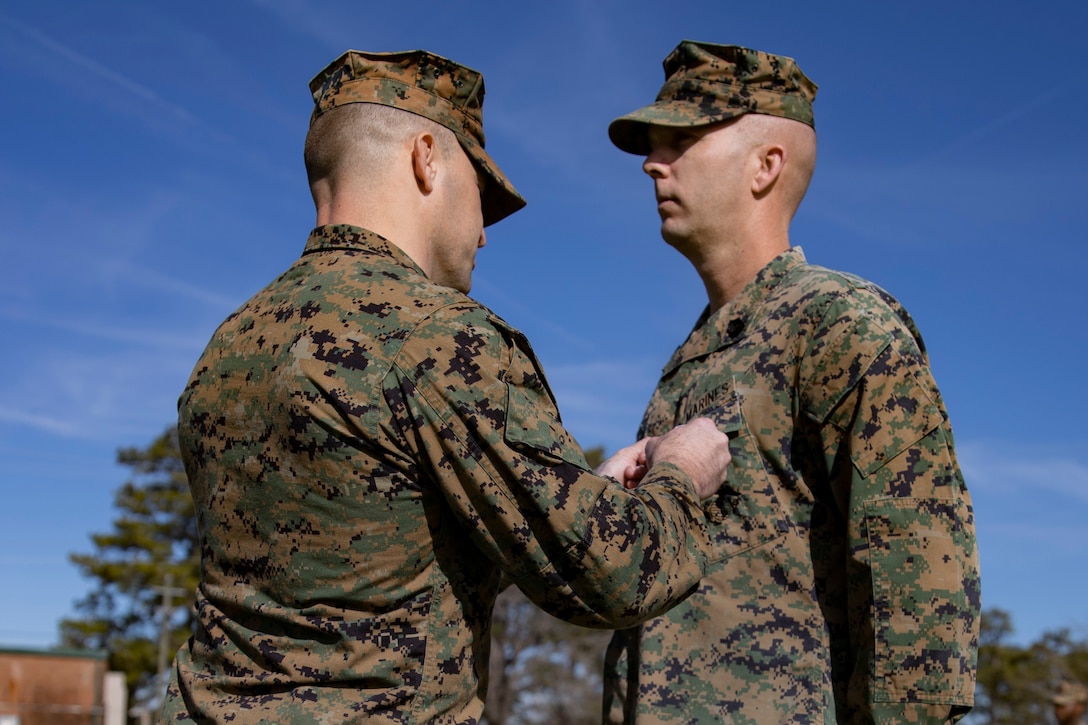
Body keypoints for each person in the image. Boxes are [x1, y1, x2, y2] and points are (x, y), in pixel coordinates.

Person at [159, 48, 739, 724]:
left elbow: (378, 563)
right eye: (480, 192)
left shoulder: (229, 345)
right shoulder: (435, 334)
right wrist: (682, 474)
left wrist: (584, 494)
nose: (485, 235)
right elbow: (619, 573)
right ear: (426, 158)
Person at [601, 41, 981, 723]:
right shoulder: (694, 357)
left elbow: (917, 586)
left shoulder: (837, 323)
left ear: (765, 165)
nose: (654, 164)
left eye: (681, 140)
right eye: (654, 146)